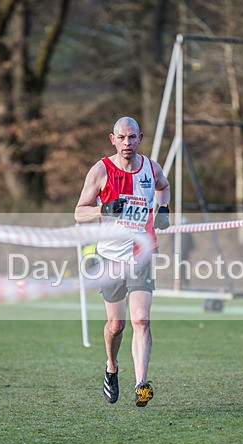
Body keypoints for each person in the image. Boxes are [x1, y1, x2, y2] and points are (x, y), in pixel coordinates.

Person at [75, 116, 170, 407]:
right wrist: (104, 209)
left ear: (140, 137)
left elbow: (163, 186)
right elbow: (79, 212)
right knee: (116, 325)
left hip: (141, 252)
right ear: (112, 139)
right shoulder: (101, 170)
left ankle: (141, 384)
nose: (127, 143)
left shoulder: (151, 168)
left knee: (141, 319)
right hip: (110, 256)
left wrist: (163, 208)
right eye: (121, 138)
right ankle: (111, 367)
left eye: (132, 137)